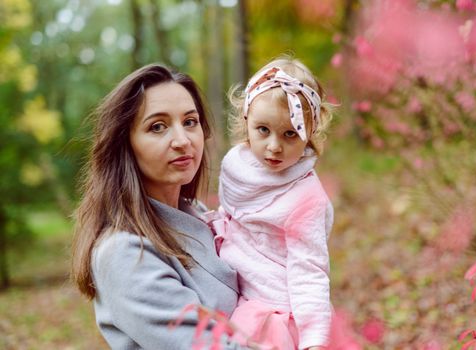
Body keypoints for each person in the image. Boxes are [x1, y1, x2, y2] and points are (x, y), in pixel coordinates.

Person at [70, 63, 247, 349]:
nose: (182, 140)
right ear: (125, 144)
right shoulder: (124, 252)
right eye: (157, 127)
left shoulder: (199, 214)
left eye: (190, 122)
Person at [207, 57, 334, 349]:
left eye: (290, 134)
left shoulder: (306, 197)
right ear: (246, 121)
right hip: (232, 285)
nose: (274, 146)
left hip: (271, 309)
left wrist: (314, 339)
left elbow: (309, 268)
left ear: (309, 134)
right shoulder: (236, 164)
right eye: (263, 130)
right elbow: (234, 213)